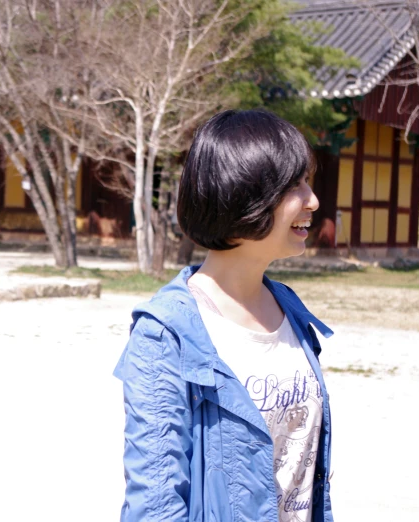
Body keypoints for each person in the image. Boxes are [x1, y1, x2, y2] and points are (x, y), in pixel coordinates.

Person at [114, 110, 335, 522]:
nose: (313, 200)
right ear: (243, 193)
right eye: (294, 185)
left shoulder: (290, 309)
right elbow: (155, 503)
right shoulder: (166, 333)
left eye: (308, 181)